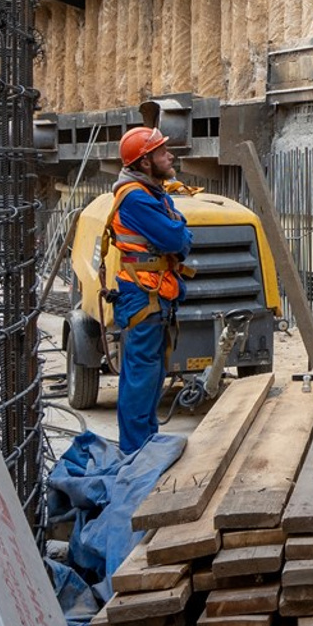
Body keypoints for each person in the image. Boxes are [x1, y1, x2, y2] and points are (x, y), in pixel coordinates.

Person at [106, 125, 192, 454]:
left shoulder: (154, 192)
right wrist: (179, 235)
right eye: (161, 152)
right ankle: (134, 451)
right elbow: (176, 239)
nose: (169, 155)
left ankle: (147, 442)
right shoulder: (136, 198)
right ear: (145, 162)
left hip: (155, 291)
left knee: (152, 373)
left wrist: (179, 233)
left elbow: (178, 231)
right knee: (141, 376)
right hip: (143, 293)